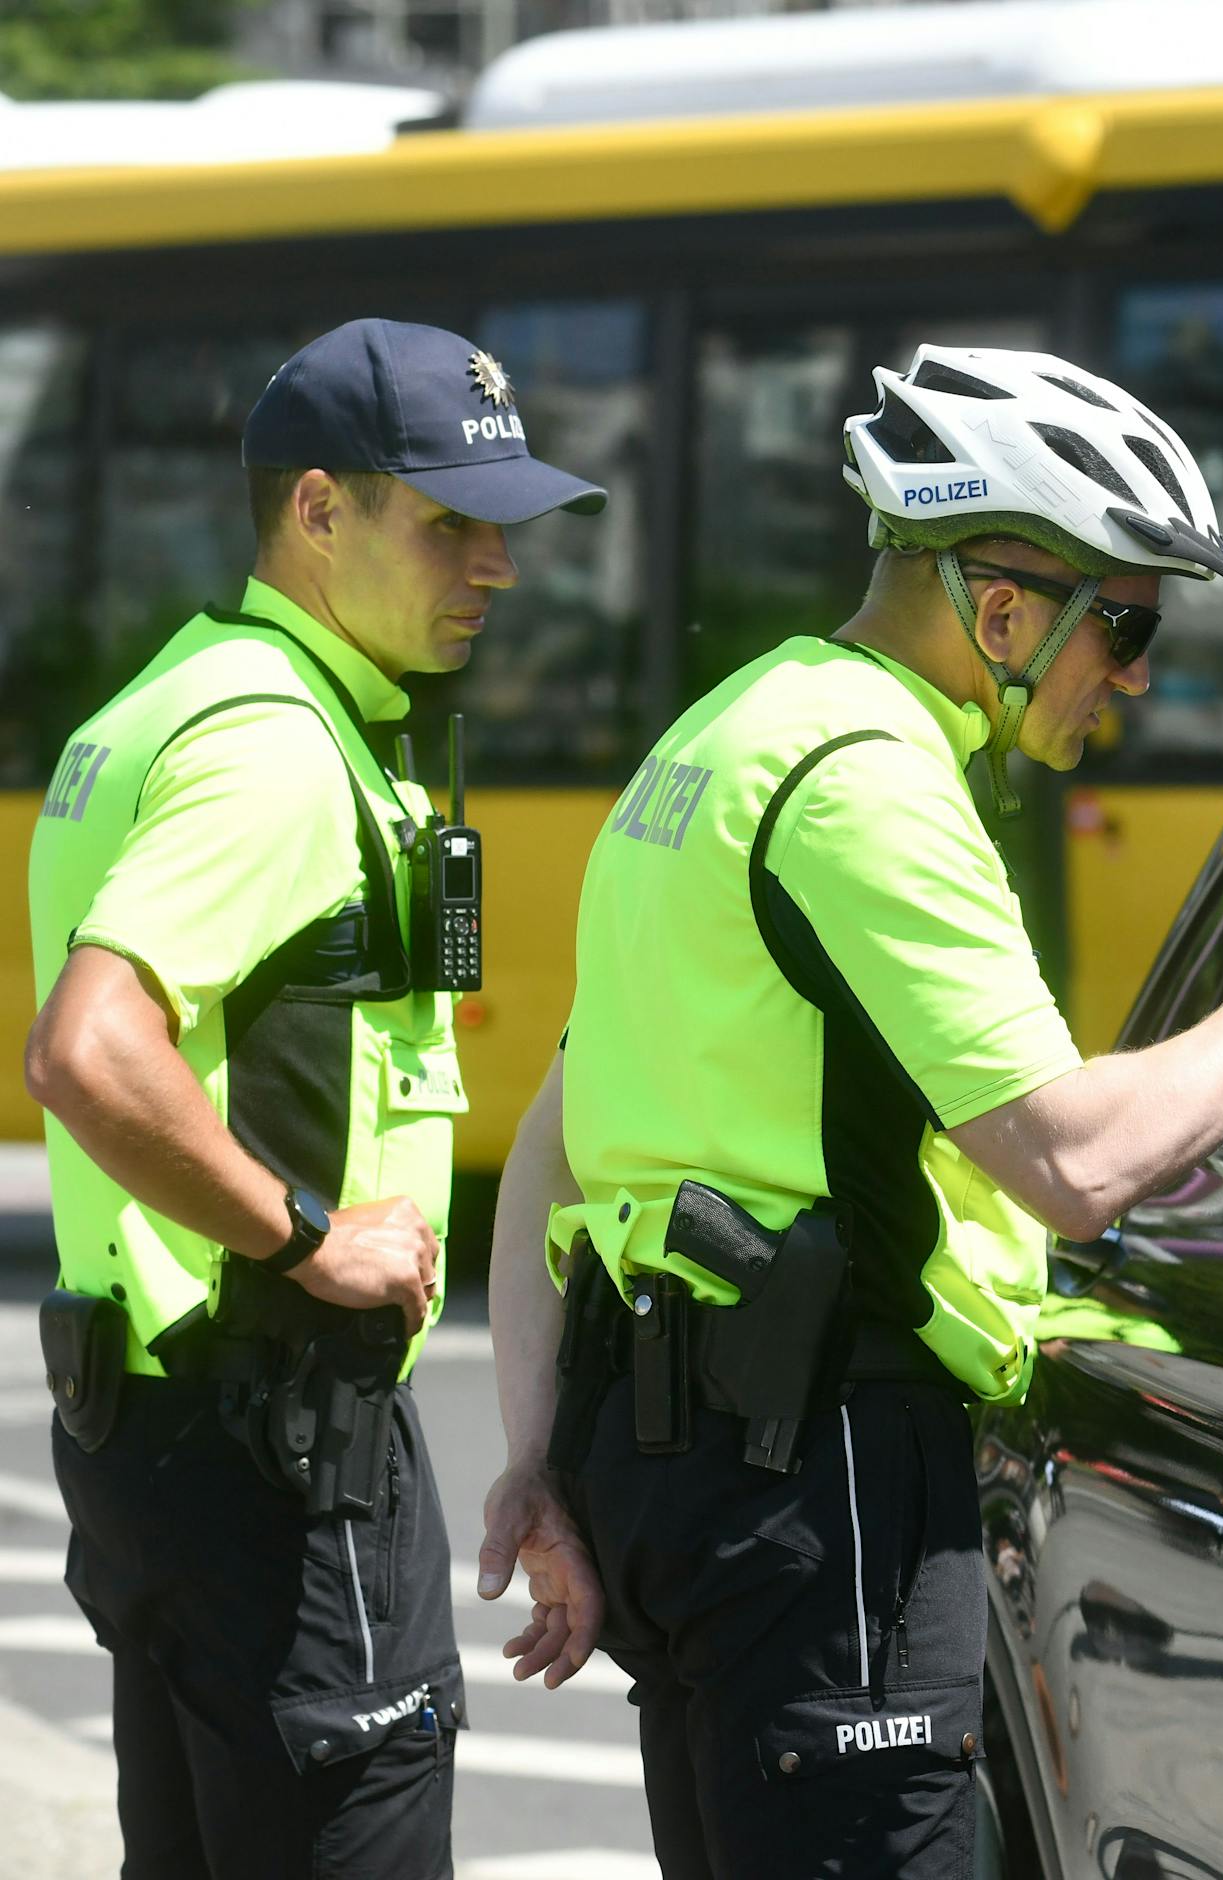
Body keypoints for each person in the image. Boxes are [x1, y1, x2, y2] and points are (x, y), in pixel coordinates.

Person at [472, 343, 1223, 1877]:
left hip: (682, 1473)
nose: (1133, 674)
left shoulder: (727, 734)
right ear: (999, 607)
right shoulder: (871, 786)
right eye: (1121, 624)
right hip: (828, 1491)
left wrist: (536, 1452)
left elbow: (552, 1133)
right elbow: (1078, 1159)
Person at [23, 316, 605, 1880]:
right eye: (450, 522)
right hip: (283, 1446)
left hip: (156, 1430)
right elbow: (88, 1048)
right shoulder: (279, 749)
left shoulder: (178, 696)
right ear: (318, 510)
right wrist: (309, 1240)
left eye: (506, 527)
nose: (495, 566)